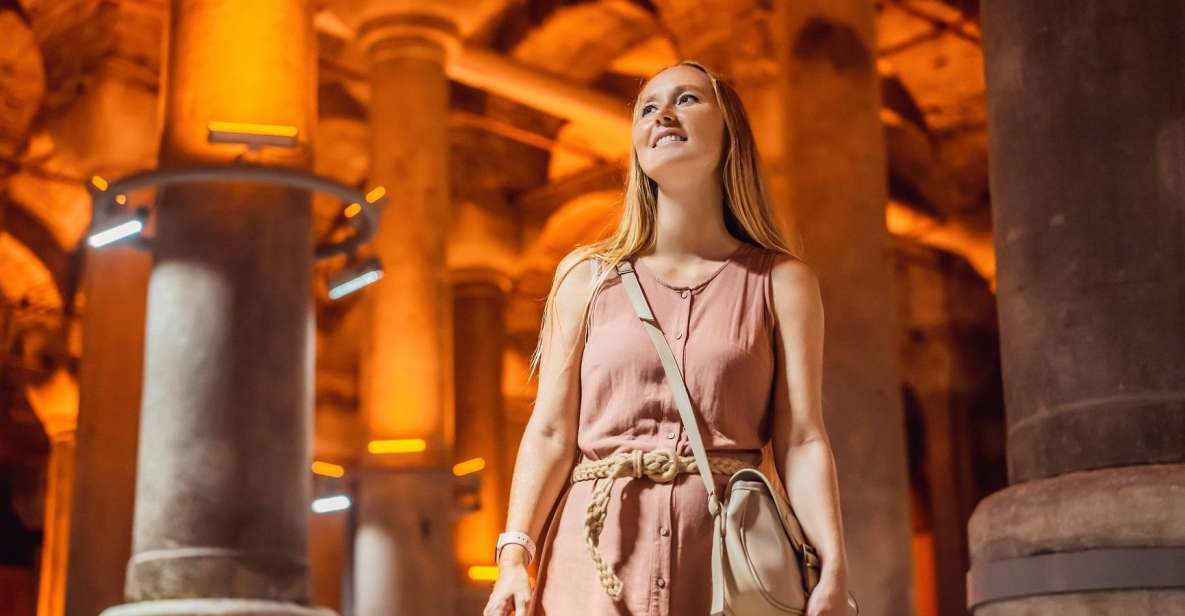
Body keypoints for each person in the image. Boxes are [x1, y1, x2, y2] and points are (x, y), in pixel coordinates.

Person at [483, 60, 852, 616]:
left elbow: (800, 438)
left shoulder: (783, 283)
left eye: (687, 100)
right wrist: (514, 553)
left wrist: (832, 563)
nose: (663, 116)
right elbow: (553, 430)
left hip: (727, 560)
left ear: (730, 134)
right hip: (594, 557)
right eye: (648, 108)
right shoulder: (586, 277)